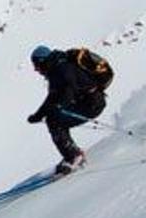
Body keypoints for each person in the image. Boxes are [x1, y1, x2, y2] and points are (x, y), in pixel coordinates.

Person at [26, 44, 108, 175]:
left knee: (54, 121)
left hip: (92, 104)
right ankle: (72, 153)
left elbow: (70, 88)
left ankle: (74, 156)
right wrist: (38, 115)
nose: (36, 69)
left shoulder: (62, 68)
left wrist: (61, 105)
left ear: (42, 61)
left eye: (36, 64)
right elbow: (53, 97)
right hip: (89, 102)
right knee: (54, 119)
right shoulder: (56, 67)